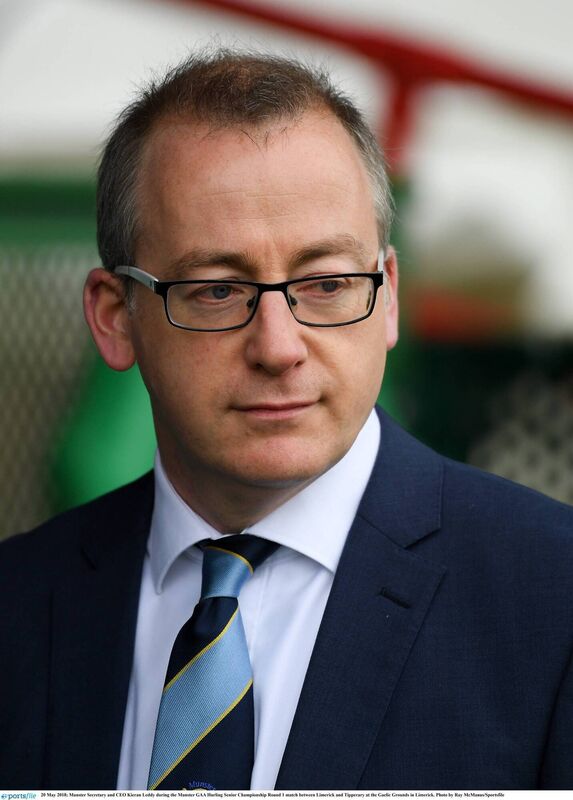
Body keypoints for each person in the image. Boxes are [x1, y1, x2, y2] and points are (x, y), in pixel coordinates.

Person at [1, 50, 572, 791]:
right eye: (215, 291)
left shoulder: (551, 598)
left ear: (388, 298)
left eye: (328, 283)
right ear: (115, 317)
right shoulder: (18, 604)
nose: (278, 347)